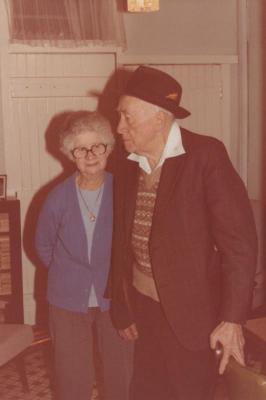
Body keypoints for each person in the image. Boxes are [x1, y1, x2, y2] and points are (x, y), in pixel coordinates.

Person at [109, 66, 258, 400]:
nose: (119, 128)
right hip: (142, 305)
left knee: (187, 392)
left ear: (160, 119)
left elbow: (240, 245)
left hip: (192, 314)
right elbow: (118, 241)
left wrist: (232, 318)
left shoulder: (206, 156)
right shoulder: (127, 161)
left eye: (127, 118)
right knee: (146, 391)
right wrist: (121, 304)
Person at [35, 111, 132, 400]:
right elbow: (42, 245)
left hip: (116, 297)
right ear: (70, 155)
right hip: (66, 299)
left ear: (108, 148)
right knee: (72, 376)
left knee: (122, 372)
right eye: (81, 149)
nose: (90, 155)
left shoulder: (124, 190)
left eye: (96, 146)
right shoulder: (56, 198)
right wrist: (70, 274)